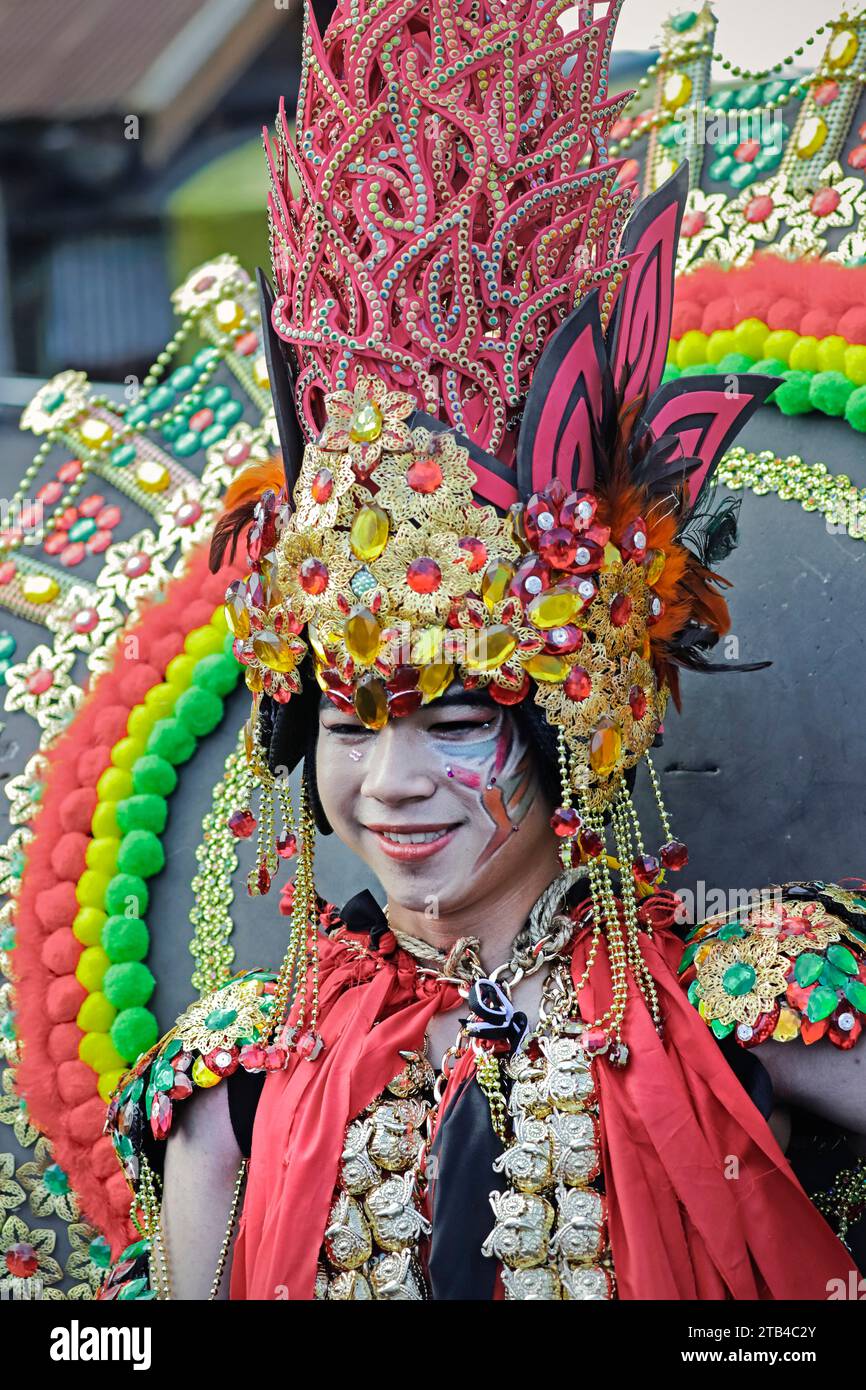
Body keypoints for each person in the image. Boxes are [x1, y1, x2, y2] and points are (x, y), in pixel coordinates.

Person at [98, 0, 865, 1301]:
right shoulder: (234, 1072)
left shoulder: (755, 988)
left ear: (575, 719)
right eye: (352, 719)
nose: (389, 780)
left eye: (455, 723)